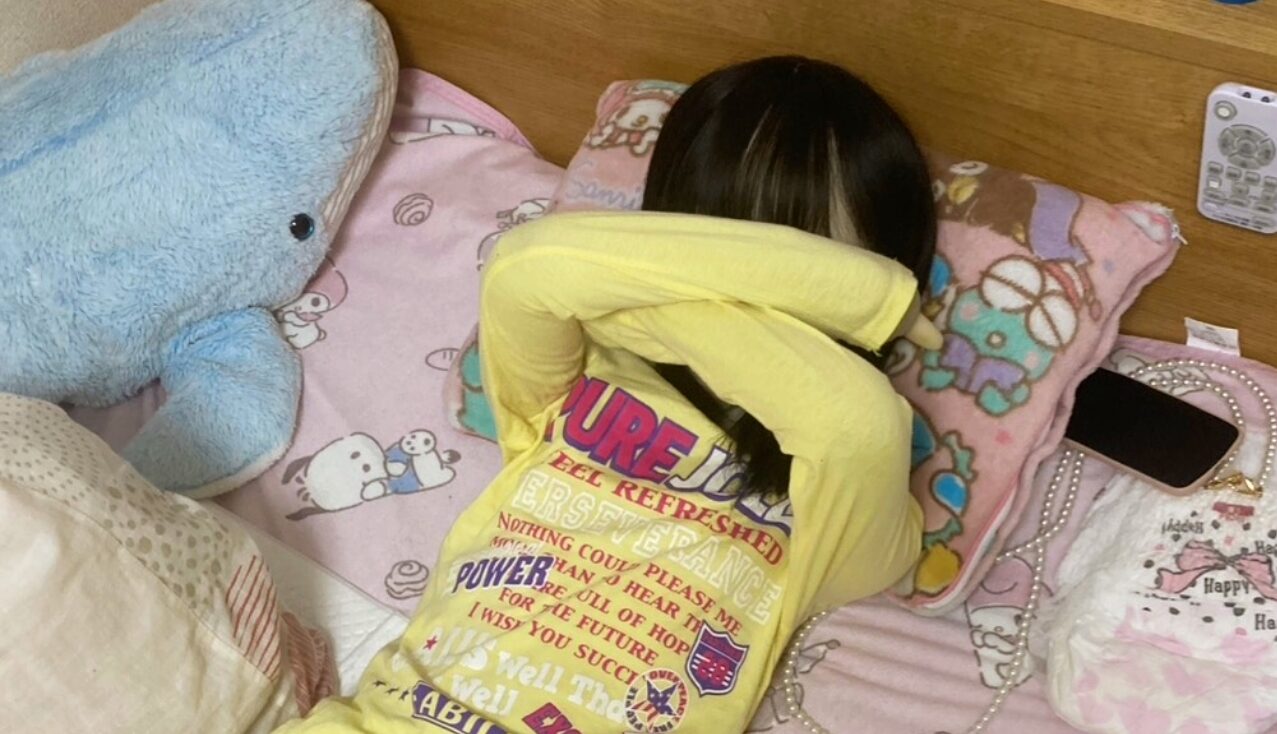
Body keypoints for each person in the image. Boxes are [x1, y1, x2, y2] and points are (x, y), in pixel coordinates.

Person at [277, 55, 941, 734]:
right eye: (751, 251)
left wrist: (655, 308)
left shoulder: (843, 477)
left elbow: (849, 420)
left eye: (809, 263)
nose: (763, 285)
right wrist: (861, 296)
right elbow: (529, 266)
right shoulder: (586, 370)